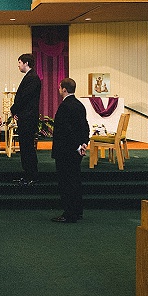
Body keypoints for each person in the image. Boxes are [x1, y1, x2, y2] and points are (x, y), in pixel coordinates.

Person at [50, 78, 90, 223]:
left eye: (60, 87)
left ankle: (69, 213)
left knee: (66, 183)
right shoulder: (80, 105)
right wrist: (84, 143)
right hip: (77, 150)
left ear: (64, 89)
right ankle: (77, 211)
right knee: (75, 181)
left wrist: (77, 146)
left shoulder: (64, 107)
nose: (59, 89)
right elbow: (85, 126)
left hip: (66, 150)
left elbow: (65, 131)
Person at [11, 54, 42, 182]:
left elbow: (24, 97)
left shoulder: (32, 78)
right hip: (26, 116)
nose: (18, 65)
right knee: (25, 147)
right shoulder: (30, 77)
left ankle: (31, 175)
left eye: (19, 62)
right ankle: (28, 174)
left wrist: (14, 109)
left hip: (28, 117)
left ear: (26, 63)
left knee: (27, 147)